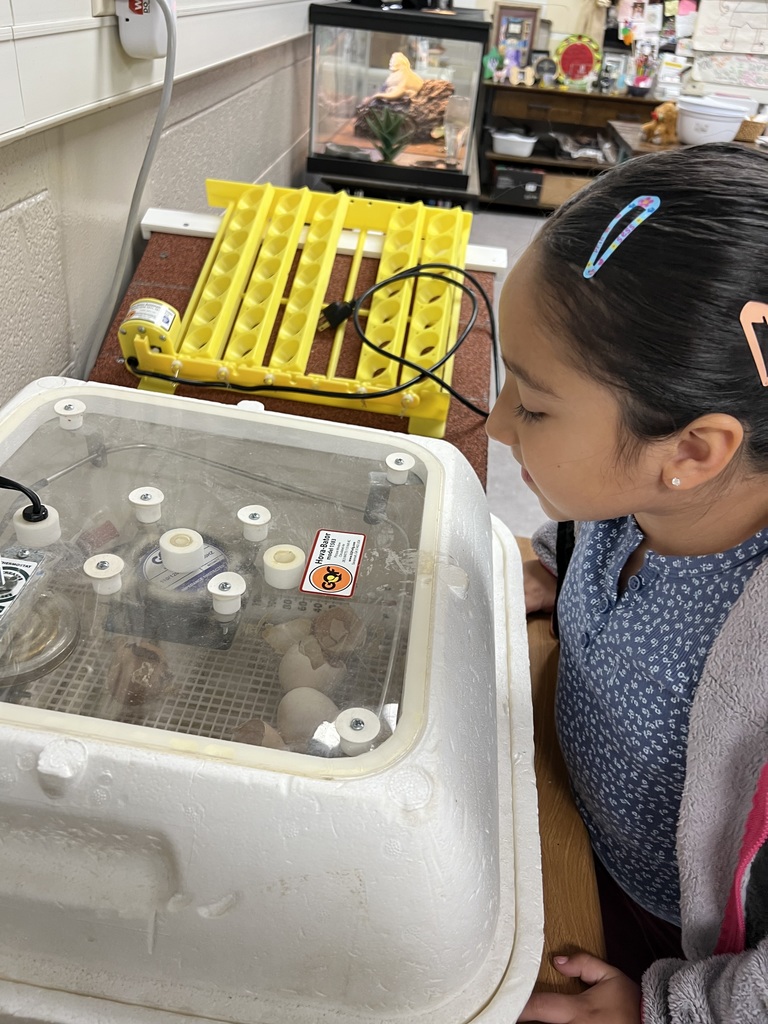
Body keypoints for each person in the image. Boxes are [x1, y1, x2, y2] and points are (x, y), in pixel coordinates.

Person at [485, 143, 768, 1023]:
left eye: (531, 406)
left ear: (690, 451)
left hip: (675, 951)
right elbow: (591, 534)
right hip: (567, 830)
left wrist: (669, 1009)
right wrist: (554, 567)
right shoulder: (619, 501)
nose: (495, 426)